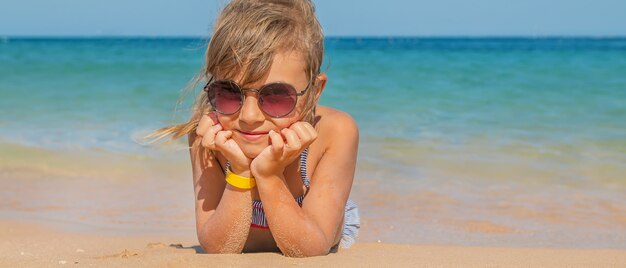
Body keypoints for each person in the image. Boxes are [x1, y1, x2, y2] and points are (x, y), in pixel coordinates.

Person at [147, 0, 359, 257]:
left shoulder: (334, 132)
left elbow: (311, 247)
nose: (248, 116)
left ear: (315, 92)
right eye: (229, 93)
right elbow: (218, 247)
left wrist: (269, 176)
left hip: (313, 231)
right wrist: (240, 171)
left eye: (276, 95)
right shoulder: (210, 138)